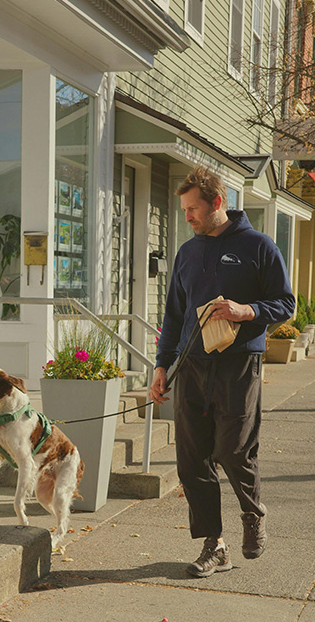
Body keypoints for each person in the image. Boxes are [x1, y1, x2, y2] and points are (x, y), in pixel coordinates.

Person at [149, 165, 295, 578]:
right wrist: (162, 366)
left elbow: (286, 304)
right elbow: (174, 315)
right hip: (192, 366)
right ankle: (215, 545)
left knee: (233, 450)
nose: (188, 217)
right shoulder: (187, 252)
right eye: (184, 210)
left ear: (217, 203)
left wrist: (246, 310)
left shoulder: (259, 246)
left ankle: (252, 514)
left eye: (193, 209)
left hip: (238, 366)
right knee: (192, 458)